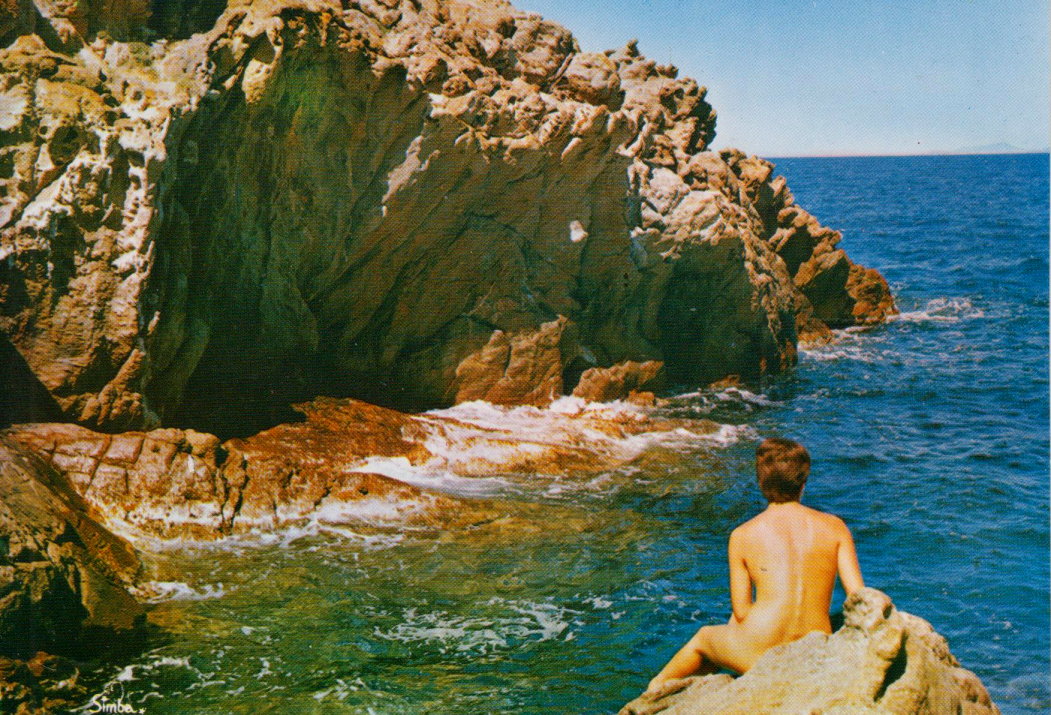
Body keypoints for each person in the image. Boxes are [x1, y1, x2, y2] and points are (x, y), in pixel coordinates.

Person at [646, 437, 864, 692]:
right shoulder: (836, 526)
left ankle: (655, 690)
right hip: (812, 648)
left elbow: (741, 612)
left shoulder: (743, 534)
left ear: (761, 483)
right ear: (802, 483)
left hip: (759, 654)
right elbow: (859, 596)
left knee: (705, 636)